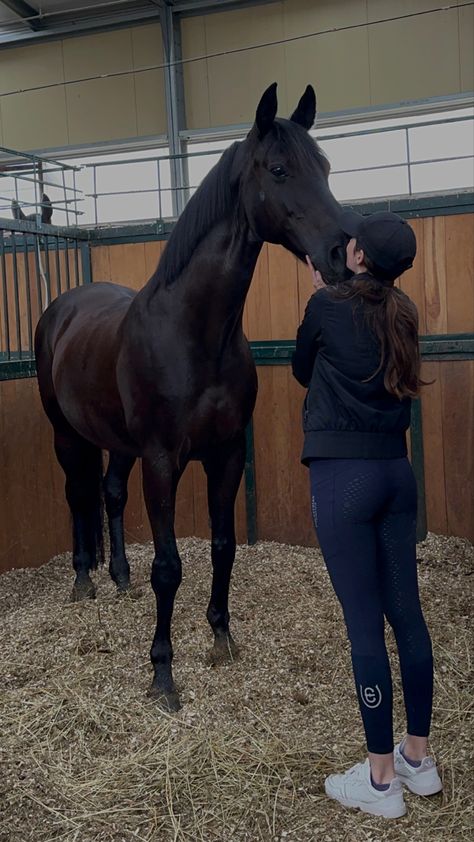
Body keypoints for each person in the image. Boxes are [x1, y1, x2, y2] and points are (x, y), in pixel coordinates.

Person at [292, 211, 442, 820]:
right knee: (406, 614)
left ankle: (381, 782)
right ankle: (417, 757)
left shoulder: (326, 307)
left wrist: (319, 299)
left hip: (343, 479)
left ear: (356, 255)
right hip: (395, 475)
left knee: (363, 627)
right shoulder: (404, 311)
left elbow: (305, 370)